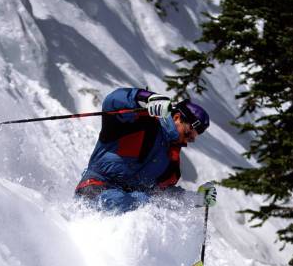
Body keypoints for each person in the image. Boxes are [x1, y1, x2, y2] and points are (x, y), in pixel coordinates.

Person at [75, 87, 217, 213]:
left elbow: (163, 195)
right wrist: (146, 97)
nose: (186, 141)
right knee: (142, 203)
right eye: (187, 134)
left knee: (152, 206)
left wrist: (198, 199)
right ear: (177, 117)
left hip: (127, 206)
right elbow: (112, 101)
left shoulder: (171, 163)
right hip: (94, 190)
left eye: (191, 139)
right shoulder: (138, 121)